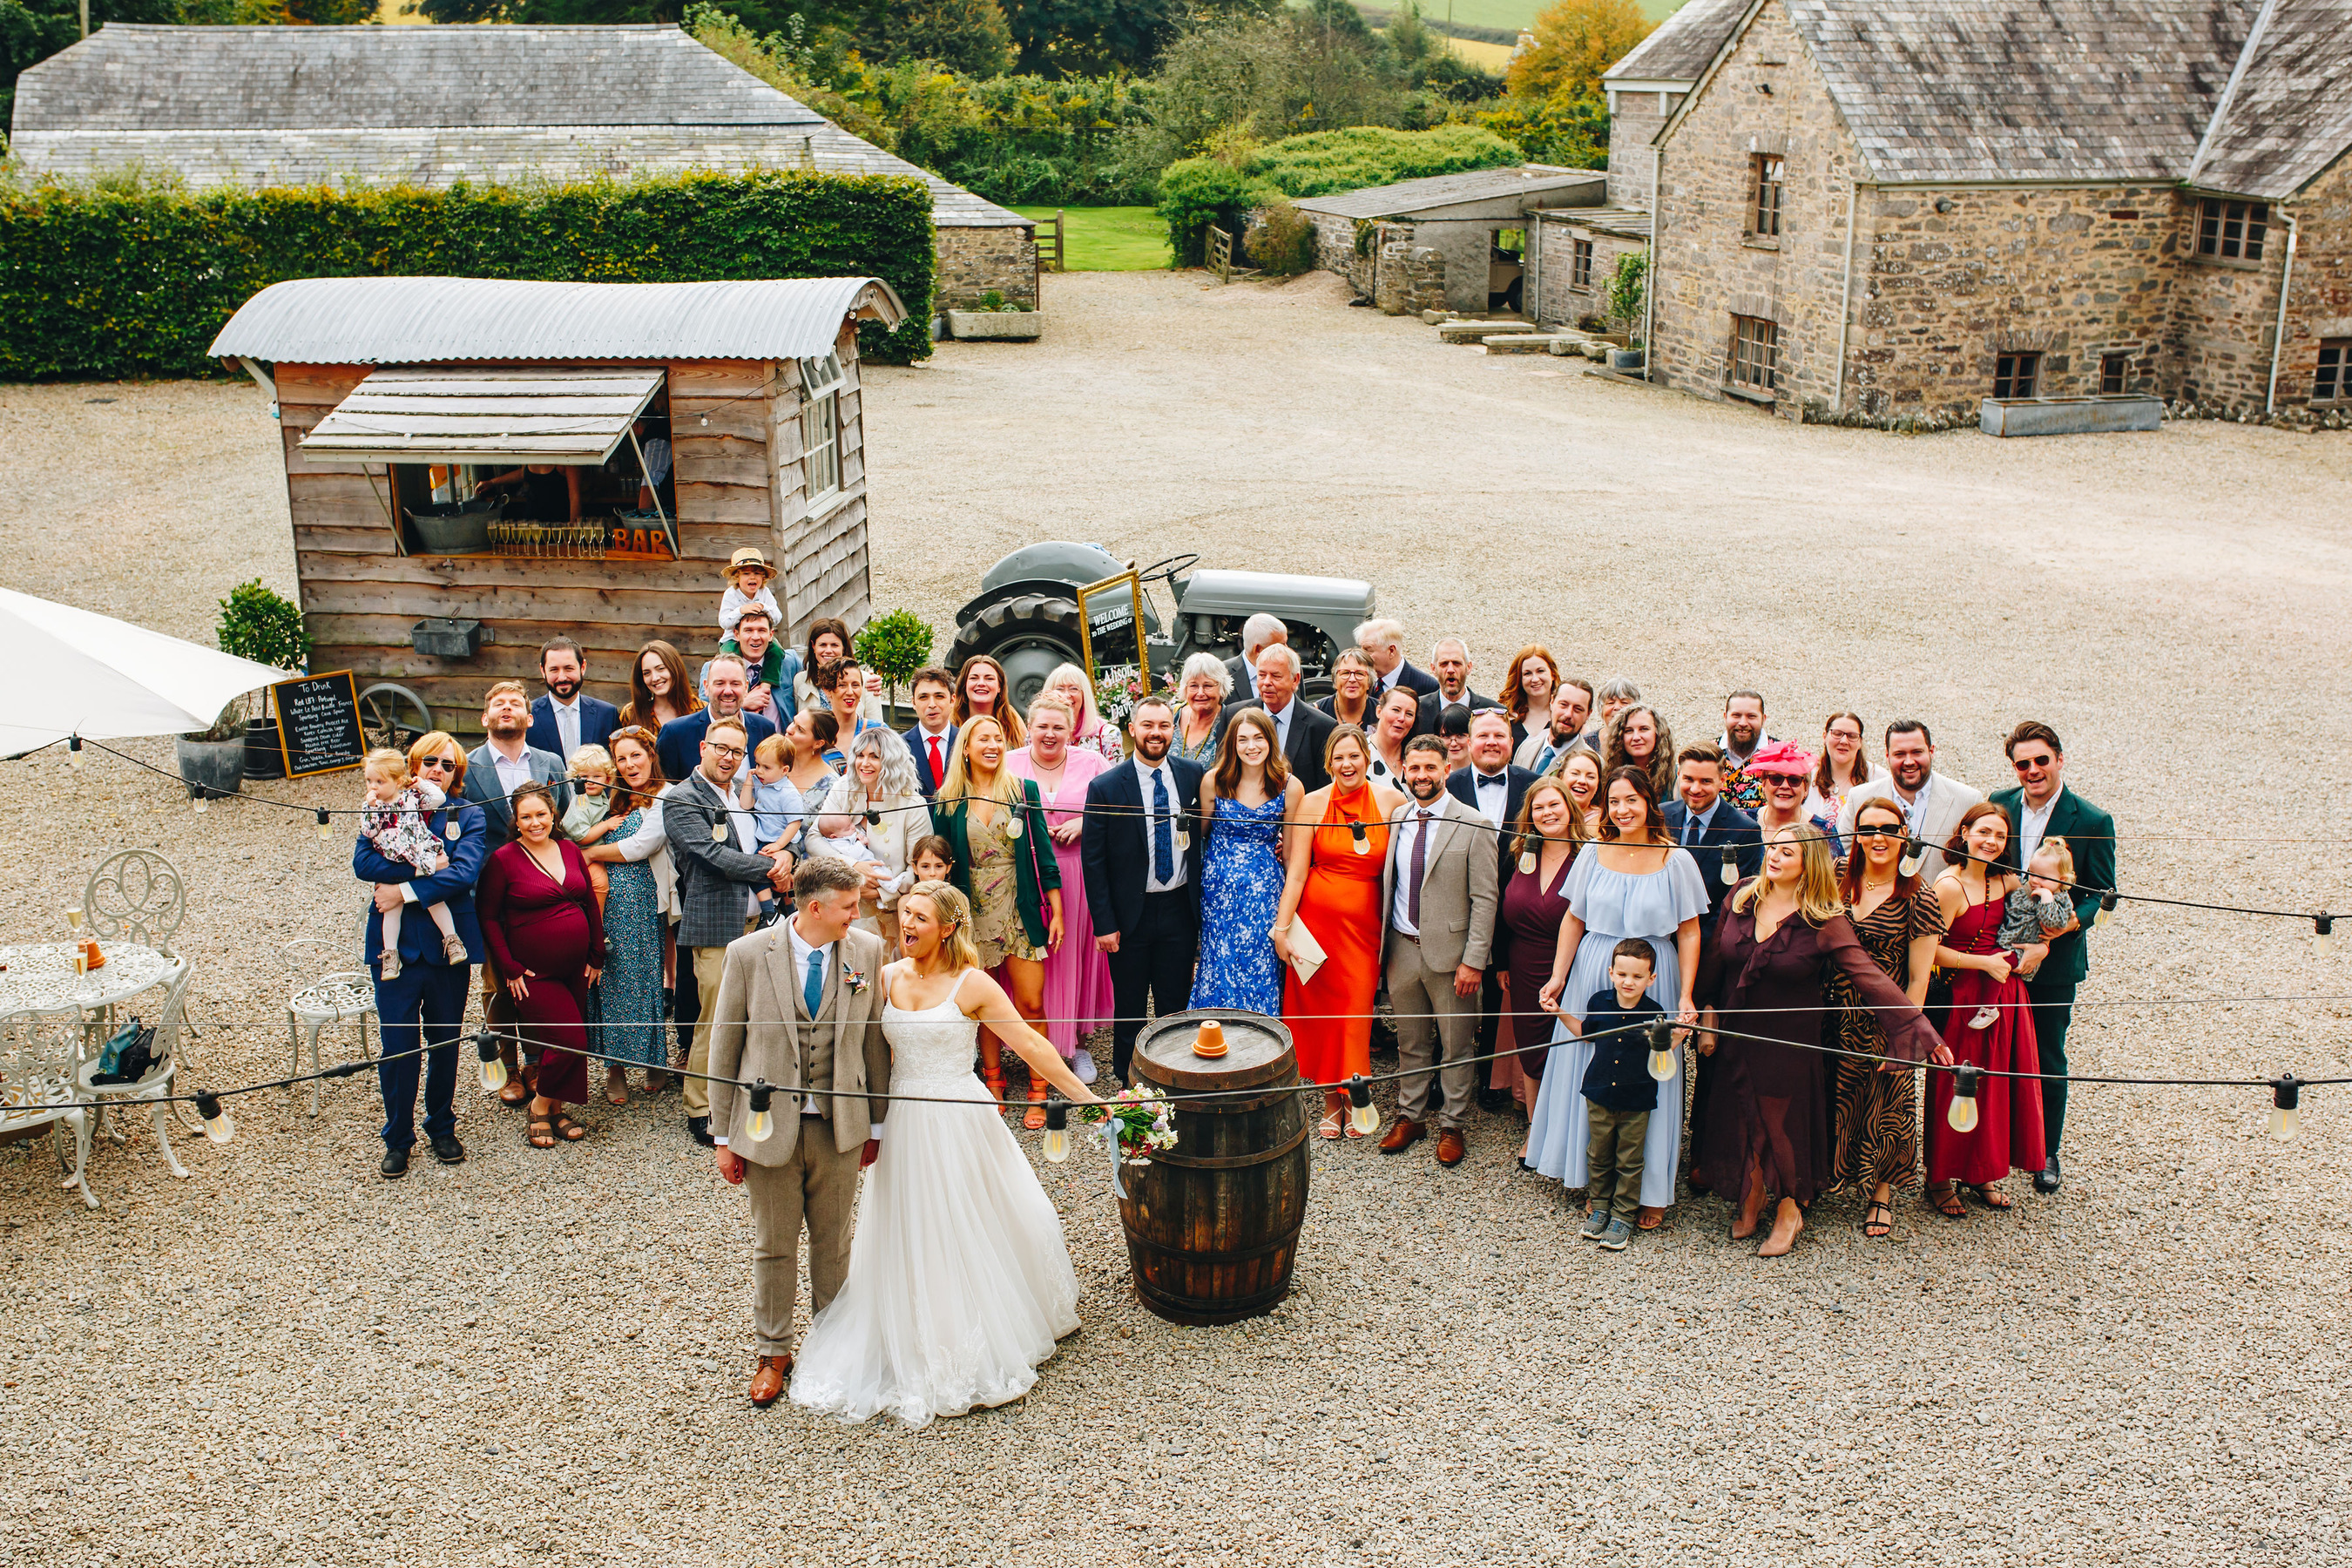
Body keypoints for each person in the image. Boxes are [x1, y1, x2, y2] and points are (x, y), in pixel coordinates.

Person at [783, 880, 1103, 1426]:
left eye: (921, 919)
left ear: (949, 927)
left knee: (969, 1219)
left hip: (959, 1116)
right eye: (905, 914)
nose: (907, 926)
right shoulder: (882, 977)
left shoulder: (973, 983)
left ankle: (981, 1329)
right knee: (910, 1225)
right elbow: (839, 1030)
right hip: (904, 1121)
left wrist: (1091, 1101)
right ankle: (908, 1331)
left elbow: (1029, 1043)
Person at [1695, 824, 1943, 1256]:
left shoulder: (1823, 918)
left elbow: (1868, 975)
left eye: (1787, 852)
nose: (1774, 856)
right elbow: (1717, 958)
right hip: (1735, 1030)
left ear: (1808, 863)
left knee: (1781, 1124)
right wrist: (1704, 1006)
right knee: (1740, 1114)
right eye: (1773, 847)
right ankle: (1752, 1193)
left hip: (1789, 1041)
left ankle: (1790, 1207)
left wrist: (1914, 1026)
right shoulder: (1743, 897)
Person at [705, 857, 891, 1408]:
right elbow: (724, 1046)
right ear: (816, 907)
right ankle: (773, 1353)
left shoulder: (868, 950)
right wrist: (723, 1135)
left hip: (842, 1125)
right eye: (849, 906)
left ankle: (833, 1352)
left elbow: (874, 1043)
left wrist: (876, 1123)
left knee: (834, 1245)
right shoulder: (747, 955)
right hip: (766, 1128)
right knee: (774, 1244)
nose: (857, 915)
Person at [1527, 768, 1707, 1229]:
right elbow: (1573, 919)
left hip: (1654, 973)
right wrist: (1557, 977)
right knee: (1589, 1065)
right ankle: (1593, 1179)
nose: (1623, 810)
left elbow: (1689, 931)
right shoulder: (1591, 853)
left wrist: (1685, 993)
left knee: (1649, 1076)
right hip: (1594, 967)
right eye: (1614, 801)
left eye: (1632, 799)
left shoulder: (1677, 859)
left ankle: (1647, 1187)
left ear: (1650, 802)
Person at [1988, 720, 2113, 1194]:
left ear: (2059, 759)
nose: (2033, 770)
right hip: (1996, 952)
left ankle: (2045, 1150)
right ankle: (1997, 1142)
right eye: (2023, 763)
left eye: (2042, 760)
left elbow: (2102, 893)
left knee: (2046, 1056)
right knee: (1995, 1051)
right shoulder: (1998, 803)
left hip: (2055, 960)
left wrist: (2052, 934)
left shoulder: (2092, 820)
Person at [356, 730, 485, 1179]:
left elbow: (464, 873)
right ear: (412, 766)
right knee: (397, 1048)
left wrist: (402, 890)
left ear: (457, 775)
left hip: (448, 951)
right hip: (395, 952)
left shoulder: (466, 814)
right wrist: (423, 868)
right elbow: (363, 863)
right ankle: (397, 1137)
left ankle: (441, 1125)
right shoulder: (381, 807)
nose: (437, 769)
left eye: (447, 765)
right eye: (430, 761)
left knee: (445, 1043)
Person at [666, 714, 795, 1146]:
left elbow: (771, 835)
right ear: (703, 747)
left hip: (755, 922)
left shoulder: (740, 797)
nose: (729, 757)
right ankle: (700, 1107)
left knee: (754, 1017)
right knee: (715, 1021)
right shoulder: (683, 798)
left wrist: (788, 853)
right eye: (721, 748)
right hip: (715, 927)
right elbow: (712, 856)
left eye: (737, 751)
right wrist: (772, 867)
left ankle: (739, 1094)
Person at [1273, 727, 1406, 1139]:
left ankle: (1356, 1090)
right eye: (1339, 758)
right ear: (1328, 763)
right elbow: (1296, 874)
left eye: (1354, 756)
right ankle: (1333, 1099)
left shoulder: (1391, 801)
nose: (1347, 765)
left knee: (1356, 1011)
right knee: (1325, 1015)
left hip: (1365, 927)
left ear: (1367, 759)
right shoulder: (1312, 804)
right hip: (1317, 924)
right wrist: (1282, 928)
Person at [1375, 736, 1499, 1167]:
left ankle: (1453, 1123)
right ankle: (1411, 1116)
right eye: (1415, 768)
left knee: (1456, 1045)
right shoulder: (1396, 818)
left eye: (1431, 768)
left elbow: (1486, 899)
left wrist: (1474, 960)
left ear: (1447, 769)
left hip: (1453, 956)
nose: (1422, 776)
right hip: (1401, 949)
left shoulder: (1475, 824)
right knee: (1410, 1042)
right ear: (1405, 770)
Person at [1827, 797, 1947, 1238]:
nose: (1879, 837)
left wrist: (1906, 1035)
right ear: (1855, 833)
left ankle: (1882, 1191)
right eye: (1869, 828)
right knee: (1835, 1093)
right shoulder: (1837, 878)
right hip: (1831, 1011)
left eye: (1889, 828)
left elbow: (1919, 978)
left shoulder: (1919, 894)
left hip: (1886, 1021)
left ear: (1904, 835)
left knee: (1889, 1103)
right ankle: (1835, 1174)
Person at [1925, 802, 2049, 1215]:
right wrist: (1985, 962)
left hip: (2006, 996)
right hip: (1963, 996)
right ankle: (1940, 1177)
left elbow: (2037, 922)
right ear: (1964, 833)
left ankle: (1980, 1169)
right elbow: (1929, 951)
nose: (1991, 842)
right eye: (1983, 832)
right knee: (1957, 1084)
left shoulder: (2006, 880)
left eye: (2000, 836)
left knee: (1993, 1085)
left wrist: (2042, 947)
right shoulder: (1949, 885)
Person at [932, 715, 1063, 1101]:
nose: (992, 745)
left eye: (998, 738)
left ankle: (1040, 1085)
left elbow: (1044, 853)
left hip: (1018, 907)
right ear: (967, 749)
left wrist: (1056, 910)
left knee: (1030, 1002)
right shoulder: (948, 800)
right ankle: (994, 1081)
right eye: (983, 739)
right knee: (983, 1004)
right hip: (971, 915)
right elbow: (941, 861)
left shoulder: (1023, 790)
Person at [1079, 697, 1206, 1086]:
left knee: (1174, 1003)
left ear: (1174, 730)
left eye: (1165, 725)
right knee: (1130, 1004)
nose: (1156, 733)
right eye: (1148, 725)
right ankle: (1129, 1081)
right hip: (1128, 913)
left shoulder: (1192, 775)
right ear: (1132, 730)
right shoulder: (1105, 786)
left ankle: (1173, 1075)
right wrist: (1104, 923)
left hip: (1178, 907)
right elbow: (1093, 861)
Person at [478, 781, 606, 1150]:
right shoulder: (504, 859)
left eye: (541, 815)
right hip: (533, 972)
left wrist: (596, 953)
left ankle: (556, 1109)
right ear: (515, 821)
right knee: (570, 1039)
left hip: (577, 967)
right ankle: (538, 1107)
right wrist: (509, 966)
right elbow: (487, 917)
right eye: (526, 817)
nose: (535, 823)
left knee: (565, 1044)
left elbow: (588, 905)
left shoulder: (569, 849)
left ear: (554, 815)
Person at [1008, 695, 1113, 1105]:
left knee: (1074, 957)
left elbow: (1117, 807)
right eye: (1042, 727)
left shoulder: (1092, 763)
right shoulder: (1010, 763)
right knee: (1033, 959)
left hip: (1077, 874)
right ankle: (1029, 1044)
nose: (1049, 734)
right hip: (1025, 875)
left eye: (1058, 727)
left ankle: (1077, 1044)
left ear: (1071, 730)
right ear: (1029, 728)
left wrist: (1085, 821)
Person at [578, 727, 672, 1103]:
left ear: (651, 755)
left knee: (647, 977)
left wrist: (589, 855)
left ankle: (655, 1062)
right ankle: (614, 1068)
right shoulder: (612, 798)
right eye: (622, 758)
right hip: (605, 898)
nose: (630, 764)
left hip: (644, 898)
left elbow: (641, 845)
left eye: (636, 755)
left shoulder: (664, 796)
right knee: (608, 978)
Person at [1188, 706, 1297, 1017]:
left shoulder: (1289, 786)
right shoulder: (1215, 781)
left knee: (1261, 964)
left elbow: (1290, 854)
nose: (1252, 746)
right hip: (1219, 892)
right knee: (1218, 962)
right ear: (1232, 745)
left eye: (1259, 738)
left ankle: (1260, 1045)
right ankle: (1212, 1038)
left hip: (1265, 894)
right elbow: (1200, 836)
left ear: (1271, 741)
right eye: (1243, 739)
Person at [1494, 777, 1590, 1130]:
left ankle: (1567, 1134)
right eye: (1539, 807)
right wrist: (1501, 963)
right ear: (1529, 815)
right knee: (1531, 1049)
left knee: (1567, 1049)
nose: (1547, 813)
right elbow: (1499, 910)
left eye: (1554, 805)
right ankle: (1536, 1131)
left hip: (1574, 967)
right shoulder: (1519, 854)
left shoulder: (1588, 854)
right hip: (1522, 965)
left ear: (1569, 807)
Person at [1569, 939, 1666, 1252]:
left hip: (1637, 1098)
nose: (1629, 982)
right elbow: (1585, 1034)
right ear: (1611, 973)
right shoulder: (1599, 1002)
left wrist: (1677, 1035)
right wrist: (1558, 1012)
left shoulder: (1655, 1012)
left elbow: (1660, 1055)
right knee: (1598, 1153)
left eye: (1638, 977)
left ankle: (1623, 1215)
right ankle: (1600, 1207)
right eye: (1623, 974)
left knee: (1629, 1158)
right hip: (1598, 1092)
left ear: (1651, 979)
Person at [816, 727, 933, 946]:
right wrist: (853, 865)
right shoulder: (844, 788)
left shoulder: (912, 803)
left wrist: (879, 892)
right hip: (842, 904)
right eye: (860, 755)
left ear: (891, 762)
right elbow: (814, 838)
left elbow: (920, 867)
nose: (864, 763)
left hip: (889, 911)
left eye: (874, 757)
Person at [358, 747, 467, 977]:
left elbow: (438, 798)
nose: (373, 787)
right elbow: (368, 832)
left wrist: (419, 783)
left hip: (418, 851)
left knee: (435, 901)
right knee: (392, 911)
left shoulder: (411, 798)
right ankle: (390, 954)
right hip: (394, 859)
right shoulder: (375, 807)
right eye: (369, 780)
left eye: (379, 781)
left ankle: (452, 940)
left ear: (398, 781)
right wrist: (370, 807)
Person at [1835, 720, 1981, 882]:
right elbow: (1844, 855)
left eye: (1917, 752)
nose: (1909, 761)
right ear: (1887, 756)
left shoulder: (1968, 800)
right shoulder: (1859, 797)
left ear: (1931, 751)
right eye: (1900, 754)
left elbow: (1976, 863)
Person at [1219, 643, 1336, 791]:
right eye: (1261, 675)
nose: (1267, 682)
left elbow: (1324, 790)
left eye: (1276, 676)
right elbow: (1223, 771)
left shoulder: (1322, 727)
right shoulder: (1233, 715)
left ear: (1295, 680)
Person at [463, 681, 567, 845]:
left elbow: (565, 821)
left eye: (515, 704)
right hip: (489, 867)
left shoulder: (553, 763)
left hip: (545, 865)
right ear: (484, 719)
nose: (507, 707)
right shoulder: (465, 767)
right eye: (499, 704)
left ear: (529, 720)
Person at [655, 655, 775, 786]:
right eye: (720, 683)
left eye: (735, 683)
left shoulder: (765, 728)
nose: (728, 691)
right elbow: (664, 792)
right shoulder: (675, 733)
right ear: (706, 687)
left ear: (746, 688)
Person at [740, 734, 808, 927]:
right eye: (758, 764)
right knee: (777, 878)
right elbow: (746, 805)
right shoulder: (762, 783)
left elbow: (794, 823)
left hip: (781, 840)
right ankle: (787, 910)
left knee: (756, 872)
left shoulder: (788, 793)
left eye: (766, 767)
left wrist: (780, 845)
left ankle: (770, 913)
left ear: (785, 770)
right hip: (766, 837)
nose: (759, 770)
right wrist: (748, 780)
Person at [527, 637, 618, 761]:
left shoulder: (607, 715)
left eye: (568, 668)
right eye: (554, 669)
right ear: (543, 670)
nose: (562, 677)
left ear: (583, 667)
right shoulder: (527, 716)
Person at [794, 618, 883, 733]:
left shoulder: (868, 681)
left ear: (844, 647)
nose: (828, 651)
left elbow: (877, 729)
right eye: (823, 645)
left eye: (834, 645)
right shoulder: (801, 681)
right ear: (813, 646)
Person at [713, 605, 795, 726]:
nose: (756, 637)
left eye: (761, 630)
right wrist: (742, 704)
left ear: (771, 634)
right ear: (736, 634)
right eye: (748, 630)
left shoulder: (790, 664)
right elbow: (705, 715)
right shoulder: (714, 669)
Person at [1804, 713, 1882, 839]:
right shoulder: (1808, 775)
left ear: (1860, 742)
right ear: (1825, 737)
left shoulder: (1877, 777)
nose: (1844, 741)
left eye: (1852, 736)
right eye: (1837, 733)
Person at [559, 742, 618, 909]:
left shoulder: (600, 797)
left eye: (596, 777)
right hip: (577, 855)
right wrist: (606, 825)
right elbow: (583, 837)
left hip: (594, 853)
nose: (590, 782)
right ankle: (595, 921)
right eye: (584, 777)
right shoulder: (581, 803)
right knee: (600, 883)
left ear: (607, 778)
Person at [1043, 663, 1126, 766]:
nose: (1066, 695)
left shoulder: (1108, 735)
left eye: (1073, 689)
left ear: (1084, 695)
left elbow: (1116, 779)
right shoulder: (1039, 734)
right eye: (1059, 689)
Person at [1413, 637, 1492, 736]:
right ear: (1433, 669)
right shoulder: (1417, 709)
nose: (1450, 669)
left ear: (1468, 667)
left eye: (1456, 663)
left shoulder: (1490, 711)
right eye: (1444, 664)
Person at [618, 639, 701, 732]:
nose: (655, 678)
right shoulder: (631, 714)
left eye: (660, 669)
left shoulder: (701, 710)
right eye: (646, 673)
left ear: (675, 668)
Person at [1601, 702, 1677, 804]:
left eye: (1644, 729)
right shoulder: (1607, 776)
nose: (1636, 737)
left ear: (1658, 733)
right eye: (1629, 731)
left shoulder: (1676, 778)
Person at [902, 666, 959, 798]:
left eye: (939, 696)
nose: (932, 704)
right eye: (923, 697)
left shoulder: (967, 741)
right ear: (914, 703)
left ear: (952, 700)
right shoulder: (899, 746)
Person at [1718, 691, 1776, 814]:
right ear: (1725, 717)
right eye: (1736, 715)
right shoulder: (1709, 753)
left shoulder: (1781, 755)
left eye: (1751, 716)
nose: (1743, 723)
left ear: (1763, 719)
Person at [1355, 617, 1438, 703]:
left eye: (1368, 650)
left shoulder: (1427, 687)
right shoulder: (1361, 679)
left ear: (1391, 651)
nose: (1362, 655)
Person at [1745, 740, 1815, 838]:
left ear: (1806, 788)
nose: (1785, 786)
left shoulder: (1822, 830)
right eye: (1776, 779)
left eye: (1794, 780)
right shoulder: (1742, 821)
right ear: (1764, 784)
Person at [954, 653, 1026, 747]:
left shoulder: (1012, 720)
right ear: (964, 685)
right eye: (974, 678)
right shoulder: (951, 721)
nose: (981, 683)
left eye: (989, 678)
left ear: (999, 687)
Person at [1522, 679, 1593, 774]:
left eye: (1578, 709)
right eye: (1563, 704)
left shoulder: (1593, 764)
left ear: (1588, 714)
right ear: (1552, 702)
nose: (1568, 714)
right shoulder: (1526, 747)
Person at [1170, 652, 1230, 765]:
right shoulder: (1170, 716)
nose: (1200, 693)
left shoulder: (1231, 722)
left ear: (1221, 687)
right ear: (1185, 688)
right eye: (1193, 686)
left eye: (1208, 686)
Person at [1497, 645, 1560, 748]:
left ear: (1552, 674)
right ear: (1519, 679)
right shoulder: (1506, 718)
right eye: (1527, 673)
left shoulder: (1565, 716)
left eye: (1540, 671)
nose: (1535, 679)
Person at [717, 546, 781, 641]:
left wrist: (764, 607)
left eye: (757, 573)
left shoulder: (764, 592)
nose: (752, 578)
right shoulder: (731, 594)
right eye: (746, 574)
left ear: (763, 577)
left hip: (760, 639)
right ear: (737, 577)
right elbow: (724, 622)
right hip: (734, 640)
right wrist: (741, 611)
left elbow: (777, 618)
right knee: (730, 655)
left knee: (777, 652)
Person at [479, 462, 580, 521]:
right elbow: (522, 474)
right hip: (532, 522)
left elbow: (574, 496)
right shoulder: (531, 453)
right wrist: (492, 482)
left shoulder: (565, 458)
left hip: (558, 522)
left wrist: (573, 529)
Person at [781, 707, 840, 805]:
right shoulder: (774, 762)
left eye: (800, 729)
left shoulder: (832, 785)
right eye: (793, 722)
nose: (789, 729)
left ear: (818, 743)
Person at [1225, 612, 1288, 699]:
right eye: (1280, 645)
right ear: (1258, 649)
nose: (1286, 649)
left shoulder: (1292, 670)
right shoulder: (1222, 675)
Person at [1368, 684, 1419, 787]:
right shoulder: (1360, 753)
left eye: (1409, 714)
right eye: (1396, 710)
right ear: (1379, 711)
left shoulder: (1415, 758)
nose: (1402, 718)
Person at [1316, 648, 1378, 728]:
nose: (1352, 679)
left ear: (1369, 683)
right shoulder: (1317, 712)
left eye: (1359, 673)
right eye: (1345, 673)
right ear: (1335, 680)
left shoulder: (1382, 713)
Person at [1555, 745, 1605, 835]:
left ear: (1598, 785)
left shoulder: (1604, 823)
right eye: (1575, 774)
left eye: (1591, 777)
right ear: (1560, 777)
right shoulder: (1546, 813)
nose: (1582, 781)